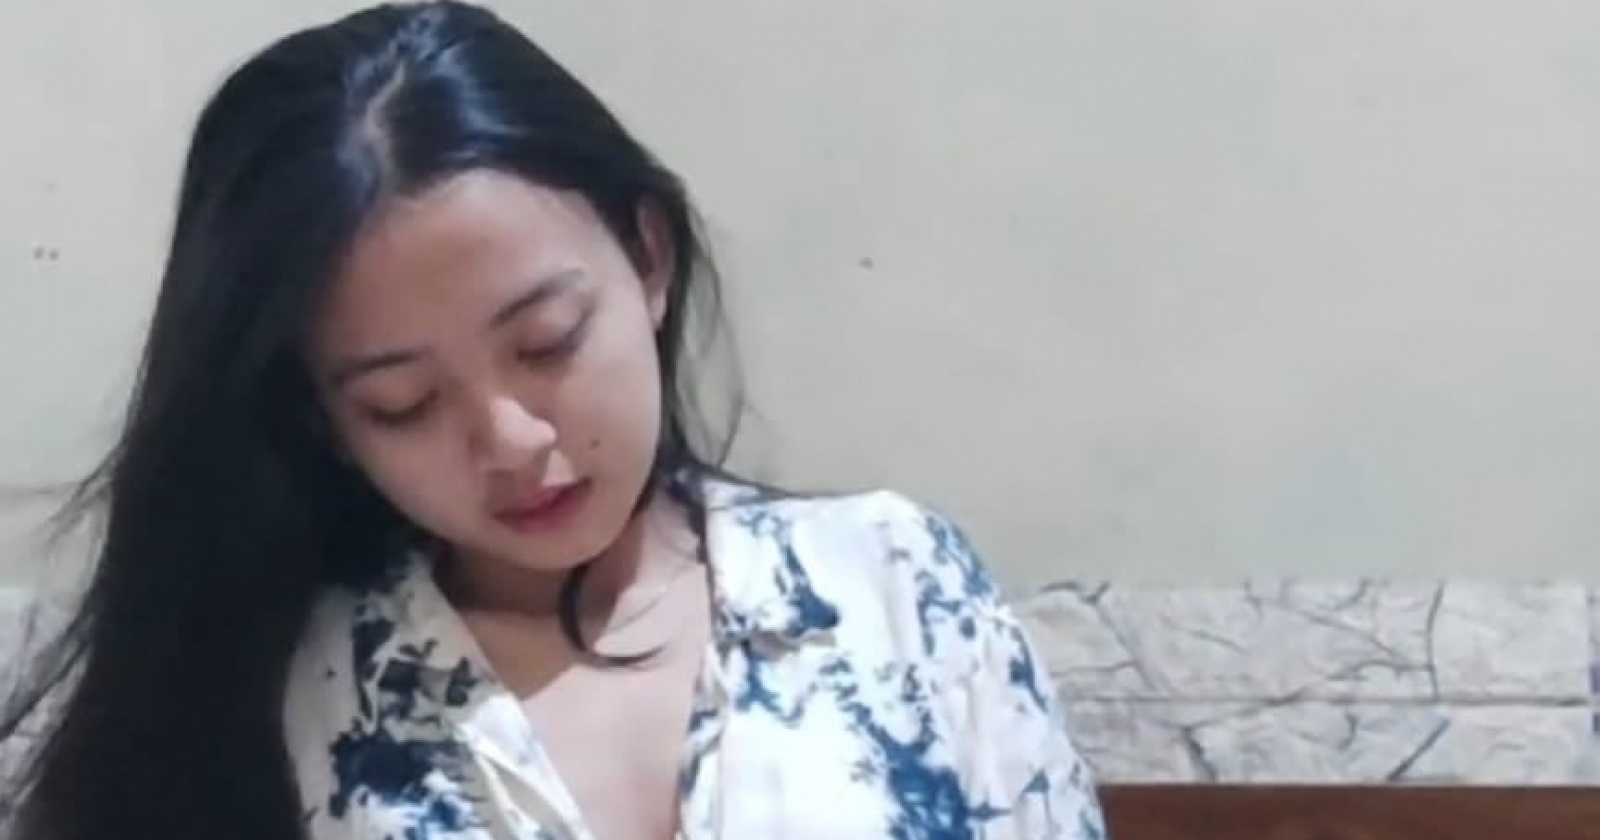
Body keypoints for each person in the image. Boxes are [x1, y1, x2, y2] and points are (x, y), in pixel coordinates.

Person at [0, 3, 1109, 839]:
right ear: (324, 418)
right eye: (403, 403)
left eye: (548, 341)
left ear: (648, 257)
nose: (513, 440)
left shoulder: (892, 584)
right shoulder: (273, 687)